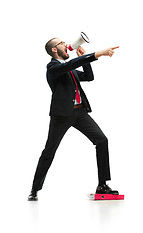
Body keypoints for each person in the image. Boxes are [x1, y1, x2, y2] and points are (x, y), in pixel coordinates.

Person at [28, 37, 119, 201]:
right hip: (62, 115)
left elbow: (89, 77)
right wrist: (98, 54)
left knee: (102, 140)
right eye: (61, 43)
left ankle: (102, 185)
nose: (65, 44)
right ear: (54, 50)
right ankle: (34, 189)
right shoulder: (53, 67)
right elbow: (70, 65)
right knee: (49, 151)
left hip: (80, 113)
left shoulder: (68, 68)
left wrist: (85, 60)